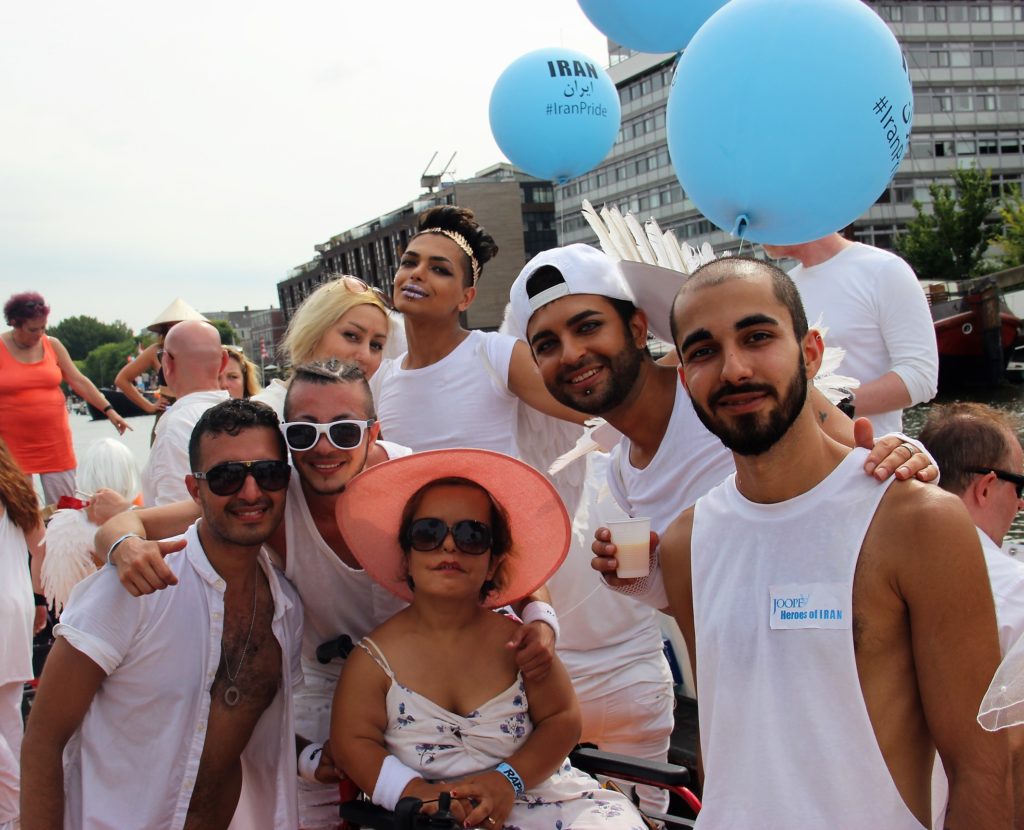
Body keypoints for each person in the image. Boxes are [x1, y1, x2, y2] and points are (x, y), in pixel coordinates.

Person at [95, 361, 559, 829]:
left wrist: (539, 615)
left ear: (373, 432)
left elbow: (503, 549)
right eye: (302, 433)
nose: (322, 447)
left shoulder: (416, 484)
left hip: (442, 683)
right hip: (330, 699)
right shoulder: (272, 496)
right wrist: (124, 546)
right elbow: (129, 524)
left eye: (343, 431)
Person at [645, 256, 1008, 827]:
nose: (734, 369)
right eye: (703, 351)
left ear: (811, 353)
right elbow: (728, 739)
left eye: (757, 336)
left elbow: (984, 767)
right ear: (686, 376)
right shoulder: (688, 540)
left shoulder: (916, 521)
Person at [21, 399, 304, 829]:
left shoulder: (285, 610)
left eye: (268, 473)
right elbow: (43, 739)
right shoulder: (136, 588)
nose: (251, 492)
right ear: (194, 489)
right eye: (227, 477)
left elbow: (255, 738)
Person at [332, 448, 648, 830]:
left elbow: (562, 720)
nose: (449, 545)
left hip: (544, 800)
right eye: (428, 532)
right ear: (407, 553)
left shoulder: (521, 644)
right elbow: (353, 743)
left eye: (471, 535)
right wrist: (415, 792)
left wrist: (508, 780)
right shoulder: (373, 659)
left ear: (494, 562)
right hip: (429, 818)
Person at [372, 205, 585, 455]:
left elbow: (598, 413)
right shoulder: (381, 380)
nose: (417, 274)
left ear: (466, 298)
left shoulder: (496, 355)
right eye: (409, 262)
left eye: (439, 269)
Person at [917, 402, 1024, 827]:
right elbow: (1015, 752)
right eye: (1019, 488)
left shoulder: (866, 570)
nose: (1020, 506)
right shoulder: (1015, 590)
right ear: (986, 487)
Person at [762, 233, 938, 434]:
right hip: (797, 460)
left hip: (870, 458)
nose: (754, 228)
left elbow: (920, 377)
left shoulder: (884, 269)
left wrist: (831, 405)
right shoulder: (782, 286)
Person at [0, 292, 131, 504]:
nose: (39, 334)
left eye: (43, 328)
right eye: (33, 329)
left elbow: (79, 381)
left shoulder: (52, 345)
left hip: (54, 442)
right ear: (15, 323)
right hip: (11, 445)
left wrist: (109, 410)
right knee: (20, 511)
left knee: (65, 506)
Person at [253, 275, 393, 419]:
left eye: (376, 345)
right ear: (314, 332)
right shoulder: (261, 419)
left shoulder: (371, 414)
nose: (365, 355)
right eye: (351, 336)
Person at [0, 439, 45, 830]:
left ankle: (16, 811)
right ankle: (17, 816)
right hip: (15, 603)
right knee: (10, 717)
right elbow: (40, 547)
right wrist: (38, 598)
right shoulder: (15, 486)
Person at [141, 319, 229, 506]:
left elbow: (173, 521)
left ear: (166, 364)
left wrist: (124, 515)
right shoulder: (247, 416)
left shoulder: (176, 428)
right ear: (224, 361)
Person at [114, 298, 209, 418]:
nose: (177, 330)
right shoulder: (156, 351)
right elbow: (122, 380)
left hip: (199, 409)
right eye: (171, 327)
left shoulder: (204, 349)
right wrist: (149, 406)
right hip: (169, 411)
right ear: (165, 330)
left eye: (182, 325)